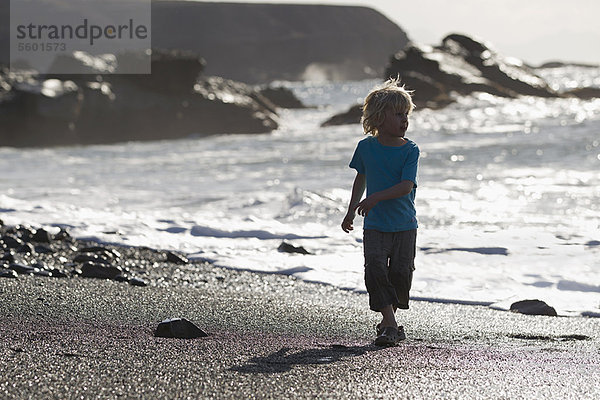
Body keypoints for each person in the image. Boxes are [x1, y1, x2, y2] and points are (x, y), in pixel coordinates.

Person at [341, 78, 419, 346]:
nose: (404, 120)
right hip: (374, 224)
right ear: (379, 117)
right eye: (398, 114)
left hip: (404, 225)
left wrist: (375, 198)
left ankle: (388, 323)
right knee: (374, 270)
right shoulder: (366, 147)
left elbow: (405, 186)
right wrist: (351, 211)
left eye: (406, 114)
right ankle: (390, 324)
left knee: (400, 275)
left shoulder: (411, 150)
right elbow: (360, 178)